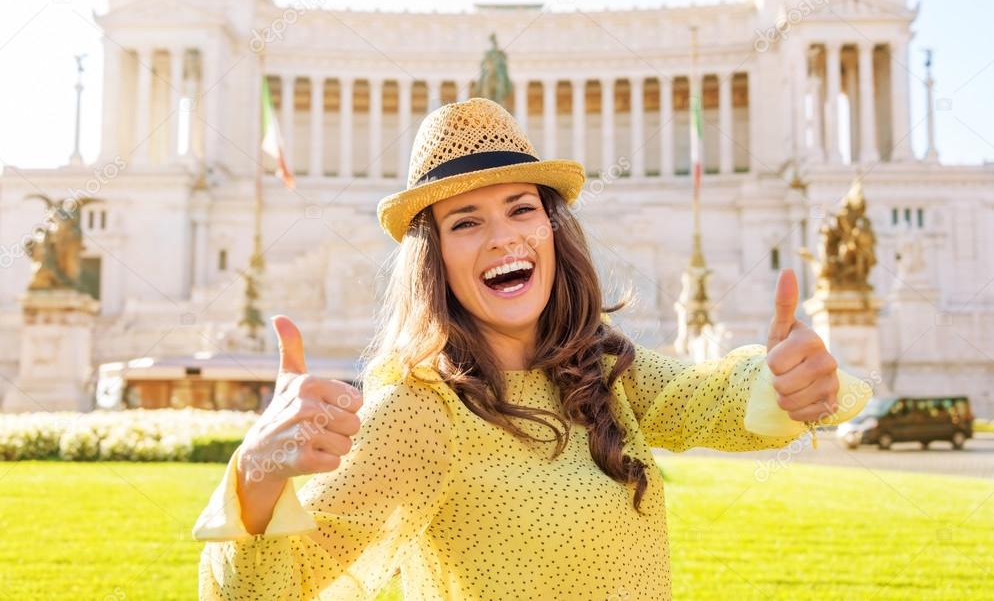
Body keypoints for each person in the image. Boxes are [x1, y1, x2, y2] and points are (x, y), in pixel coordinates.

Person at [192, 98, 869, 600]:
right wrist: (255, 477)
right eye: (466, 221)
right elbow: (276, 587)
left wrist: (781, 384)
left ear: (552, 228)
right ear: (435, 260)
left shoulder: (603, 372)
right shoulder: (419, 408)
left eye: (521, 207)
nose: (503, 237)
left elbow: (707, 396)